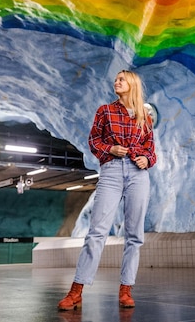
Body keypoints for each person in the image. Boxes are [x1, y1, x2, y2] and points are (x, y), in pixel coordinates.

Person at [58, 70, 157, 311]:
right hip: (112, 171)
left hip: (138, 174)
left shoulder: (145, 116)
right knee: (96, 233)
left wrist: (146, 159)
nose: (116, 82)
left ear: (131, 84)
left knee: (134, 235)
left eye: (121, 79)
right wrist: (110, 149)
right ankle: (76, 290)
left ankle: (126, 290)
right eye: (115, 79)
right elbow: (94, 141)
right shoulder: (105, 111)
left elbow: (151, 150)